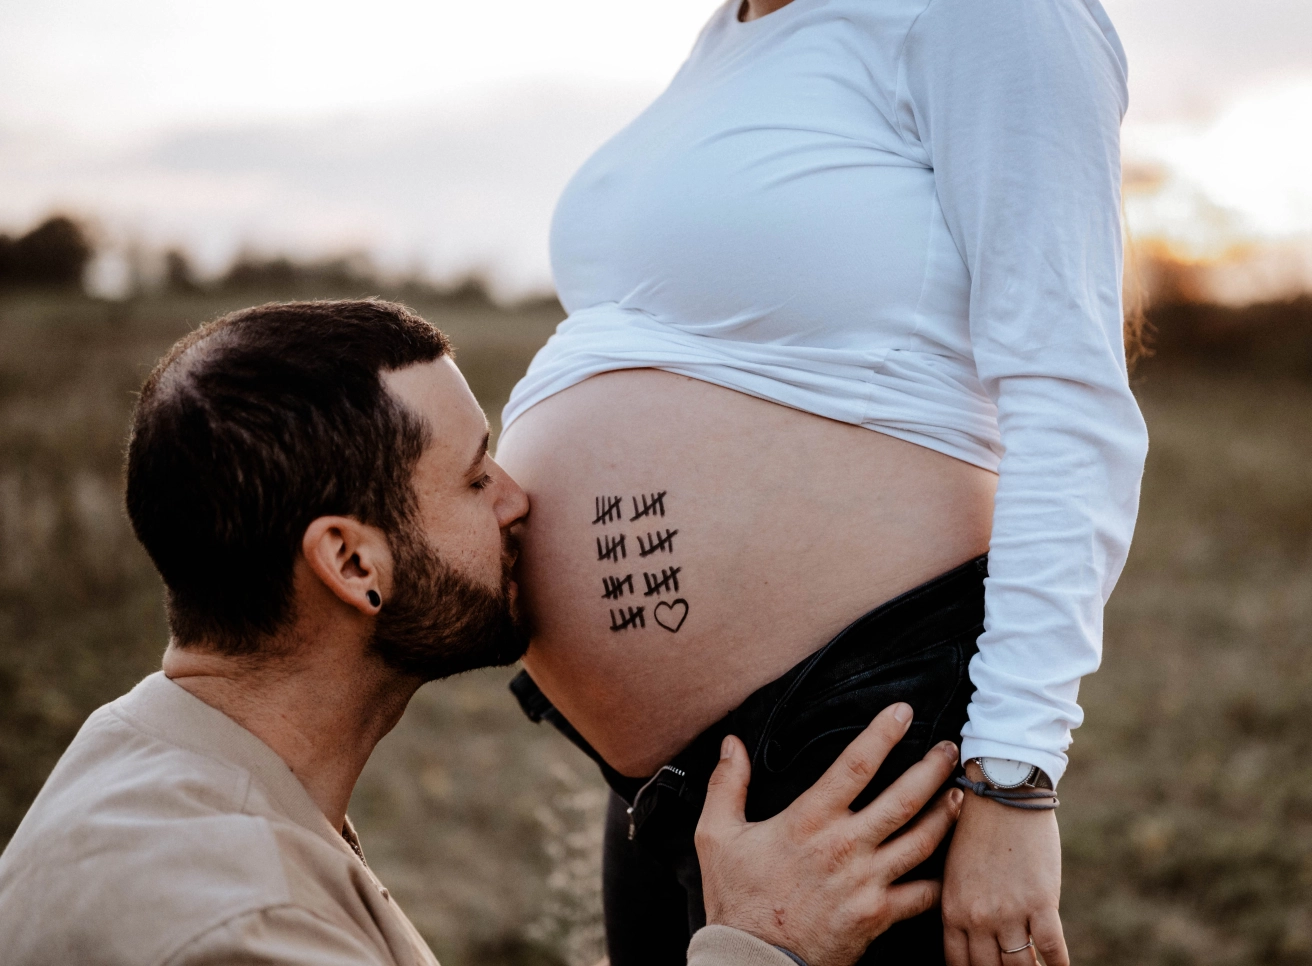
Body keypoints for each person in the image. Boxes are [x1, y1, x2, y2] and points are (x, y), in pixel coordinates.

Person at [0, 300, 961, 966]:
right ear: (352, 565)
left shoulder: (151, 763)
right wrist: (762, 944)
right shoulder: (232, 921)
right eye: (474, 476)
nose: (517, 499)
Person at [493, 0, 1150, 963]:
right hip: (664, 781)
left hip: (861, 733)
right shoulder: (729, 38)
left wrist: (1011, 778)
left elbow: (1070, 396)